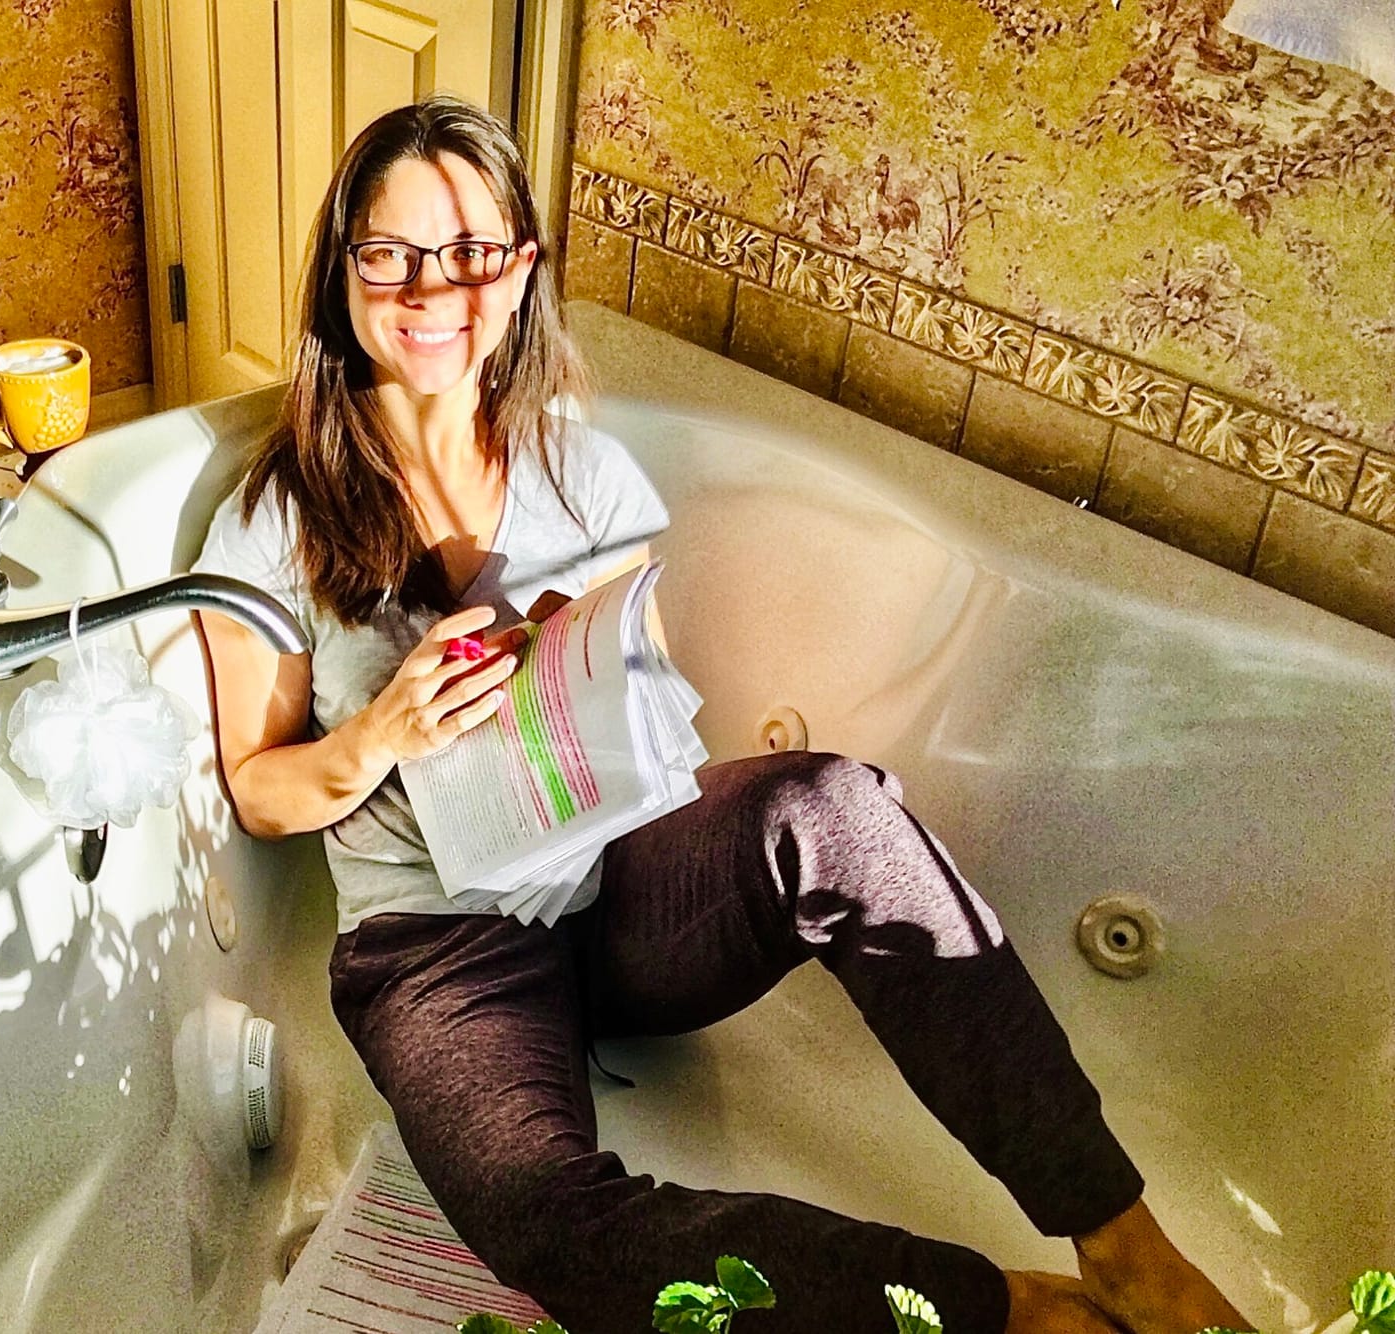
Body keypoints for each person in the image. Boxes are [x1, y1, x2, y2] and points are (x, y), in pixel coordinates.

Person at [191, 94, 1248, 1334]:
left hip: (609, 891)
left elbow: (626, 717)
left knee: (832, 803)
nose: (435, 288)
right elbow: (257, 789)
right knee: (545, 1225)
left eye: (475, 249)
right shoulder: (274, 518)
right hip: (439, 953)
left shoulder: (580, 474)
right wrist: (381, 734)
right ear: (344, 272)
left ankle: (1121, 1238)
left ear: (522, 268)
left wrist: (610, 716)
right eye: (393, 253)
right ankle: (1000, 1310)